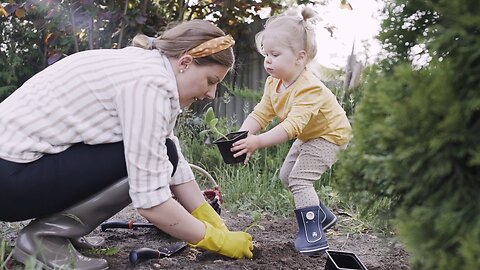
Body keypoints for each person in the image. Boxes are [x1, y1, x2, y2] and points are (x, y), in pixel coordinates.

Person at [0, 19, 253, 270]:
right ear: (185, 62)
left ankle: (63, 229)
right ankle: (45, 239)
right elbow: (151, 201)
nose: (211, 94)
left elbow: (171, 155)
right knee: (146, 161)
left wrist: (206, 217)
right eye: (210, 80)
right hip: (8, 182)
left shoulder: (149, 68)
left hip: (15, 173)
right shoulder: (148, 85)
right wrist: (216, 241)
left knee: (165, 152)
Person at [231, 7, 351, 256]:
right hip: (310, 135)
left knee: (300, 180)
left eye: (275, 54)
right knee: (286, 176)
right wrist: (242, 137)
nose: (268, 60)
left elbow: (291, 127)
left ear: (299, 57)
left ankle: (314, 237)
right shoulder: (274, 82)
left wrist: (257, 142)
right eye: (266, 54)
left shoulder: (310, 88)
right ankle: (322, 216)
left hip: (330, 136)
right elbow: (261, 113)